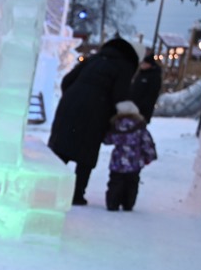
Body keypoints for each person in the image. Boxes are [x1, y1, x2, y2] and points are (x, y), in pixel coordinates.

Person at [47, 36, 139, 205]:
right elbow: (120, 96)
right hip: (96, 112)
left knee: (60, 150)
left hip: (69, 105)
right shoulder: (124, 66)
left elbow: (67, 80)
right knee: (86, 155)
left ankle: (49, 188)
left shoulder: (93, 59)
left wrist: (74, 97)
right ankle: (76, 194)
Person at [103, 100, 158, 211]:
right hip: (134, 161)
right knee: (132, 184)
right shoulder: (140, 127)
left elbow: (107, 140)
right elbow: (147, 143)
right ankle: (128, 203)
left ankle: (112, 203)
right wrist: (149, 157)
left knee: (115, 182)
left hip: (117, 162)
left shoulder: (115, 125)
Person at [130, 53, 163, 123]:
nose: (142, 65)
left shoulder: (154, 76)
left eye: (144, 63)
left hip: (144, 109)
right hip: (133, 106)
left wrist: (143, 105)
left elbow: (152, 93)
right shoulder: (141, 74)